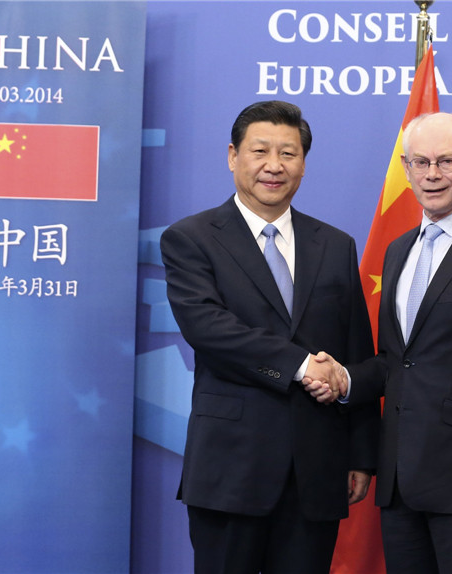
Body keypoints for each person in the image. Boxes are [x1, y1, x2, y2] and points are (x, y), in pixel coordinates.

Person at [309, 112, 452, 574]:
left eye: (445, 161)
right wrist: (344, 378)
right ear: (406, 167)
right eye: (419, 162)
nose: (431, 174)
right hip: (399, 480)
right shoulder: (399, 249)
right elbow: (399, 362)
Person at [160, 100, 379, 574]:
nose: (274, 166)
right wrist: (302, 366)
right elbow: (208, 328)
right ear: (233, 156)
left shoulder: (334, 243)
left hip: (317, 471)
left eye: (289, 153)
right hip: (230, 470)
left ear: (303, 162)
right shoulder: (191, 238)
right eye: (260, 151)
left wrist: (361, 453)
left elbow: (356, 349)